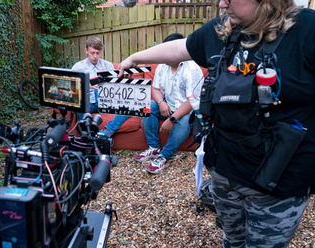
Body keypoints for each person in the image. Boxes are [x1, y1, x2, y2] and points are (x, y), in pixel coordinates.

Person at [119, 0, 315, 247]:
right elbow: (181, 48)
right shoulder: (221, 29)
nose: (222, 3)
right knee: (232, 240)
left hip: (279, 184)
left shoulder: (306, 29)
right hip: (224, 173)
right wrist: (134, 58)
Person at [134, 33, 204, 174]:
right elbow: (155, 88)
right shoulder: (162, 66)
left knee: (184, 121)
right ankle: (153, 147)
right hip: (167, 104)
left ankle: (164, 156)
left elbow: (192, 101)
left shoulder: (192, 68)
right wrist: (160, 103)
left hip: (188, 109)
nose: (164, 55)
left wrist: (172, 119)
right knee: (146, 107)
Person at [71, 36, 129, 137]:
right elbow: (71, 88)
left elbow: (116, 85)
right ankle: (86, 136)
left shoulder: (108, 66)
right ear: (86, 50)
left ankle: (108, 131)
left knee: (128, 106)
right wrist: (86, 86)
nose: (95, 56)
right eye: (92, 53)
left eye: (97, 53)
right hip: (89, 101)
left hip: (106, 100)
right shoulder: (78, 67)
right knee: (81, 106)